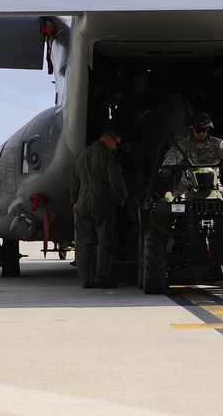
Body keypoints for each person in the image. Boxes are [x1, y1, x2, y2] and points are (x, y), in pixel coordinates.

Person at [68, 123, 128, 289]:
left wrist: (74, 200)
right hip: (101, 199)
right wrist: (123, 196)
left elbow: (73, 180)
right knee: (104, 240)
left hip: (82, 200)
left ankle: (85, 279)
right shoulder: (107, 156)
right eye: (116, 143)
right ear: (109, 138)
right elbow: (115, 178)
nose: (115, 147)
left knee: (83, 242)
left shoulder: (82, 154)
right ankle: (102, 277)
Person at [115, 70, 174, 199]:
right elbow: (119, 120)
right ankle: (137, 209)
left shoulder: (156, 93)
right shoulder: (127, 97)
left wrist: (150, 110)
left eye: (139, 81)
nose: (137, 85)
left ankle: (163, 206)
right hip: (135, 145)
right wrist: (123, 139)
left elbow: (170, 106)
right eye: (134, 82)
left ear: (145, 80)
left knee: (161, 176)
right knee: (136, 180)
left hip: (155, 144)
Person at [160, 112, 223, 197]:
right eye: (198, 131)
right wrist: (167, 166)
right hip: (187, 188)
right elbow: (173, 155)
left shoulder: (217, 144)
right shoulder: (184, 145)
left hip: (215, 187)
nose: (202, 134)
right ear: (192, 131)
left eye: (204, 130)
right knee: (174, 205)